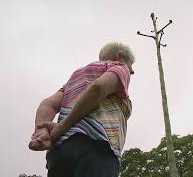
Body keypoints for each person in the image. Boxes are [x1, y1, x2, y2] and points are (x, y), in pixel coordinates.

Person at [28, 42, 135, 177]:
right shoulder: (119, 68)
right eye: (131, 65)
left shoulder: (76, 76)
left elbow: (48, 103)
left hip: (60, 153)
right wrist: (63, 126)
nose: (131, 71)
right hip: (96, 146)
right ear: (119, 57)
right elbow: (98, 88)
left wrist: (41, 130)